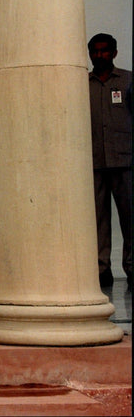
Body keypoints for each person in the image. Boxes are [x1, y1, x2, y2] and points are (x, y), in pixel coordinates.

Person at [87, 33, 132, 290]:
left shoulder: (128, 80)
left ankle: (132, 267)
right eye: (95, 51)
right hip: (93, 163)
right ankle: (101, 269)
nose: (99, 55)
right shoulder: (82, 84)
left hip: (125, 162)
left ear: (114, 53)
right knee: (97, 221)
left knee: (130, 219)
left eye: (105, 51)